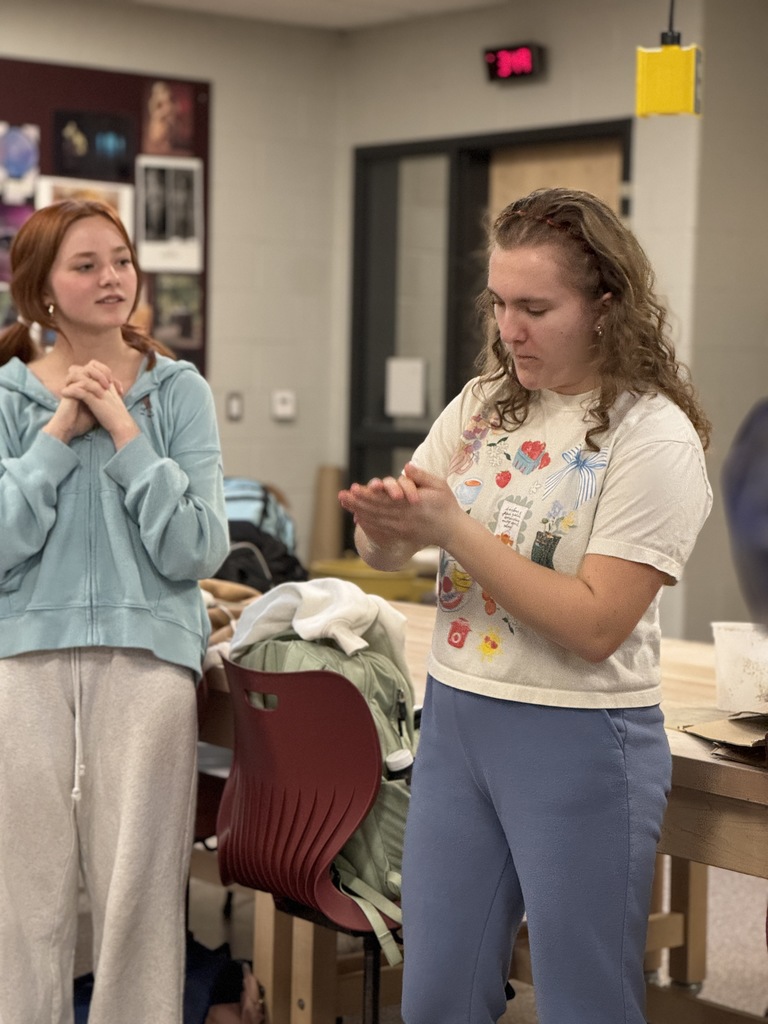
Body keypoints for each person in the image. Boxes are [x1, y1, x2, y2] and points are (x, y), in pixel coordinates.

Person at [339, 187, 713, 1024]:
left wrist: (450, 528)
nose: (511, 328)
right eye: (501, 304)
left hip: (580, 734)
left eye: (537, 307)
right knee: (437, 994)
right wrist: (389, 533)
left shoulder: (652, 436)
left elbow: (594, 625)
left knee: (584, 999)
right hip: (462, 713)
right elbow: (389, 548)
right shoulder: (481, 404)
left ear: (607, 307)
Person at [0, 199, 229, 1024]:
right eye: (86, 264)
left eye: (121, 261)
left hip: (149, 663)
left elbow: (198, 548)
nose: (111, 279)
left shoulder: (180, 393)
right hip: (19, 664)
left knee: (139, 894)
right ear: (42, 292)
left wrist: (128, 434)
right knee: (24, 898)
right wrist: (58, 435)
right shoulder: (6, 400)